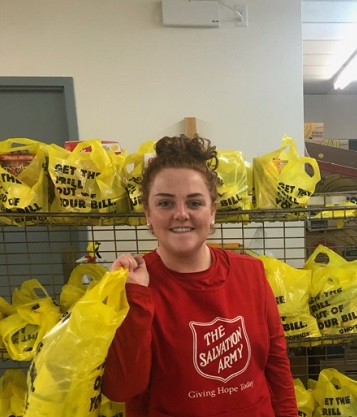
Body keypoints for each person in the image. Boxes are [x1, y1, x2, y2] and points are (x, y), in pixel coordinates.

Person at [102, 134, 298, 417]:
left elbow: (277, 366)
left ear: (212, 212)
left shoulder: (251, 273)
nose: (181, 214)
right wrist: (136, 298)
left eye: (194, 203)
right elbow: (122, 388)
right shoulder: (133, 284)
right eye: (165, 203)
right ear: (147, 213)